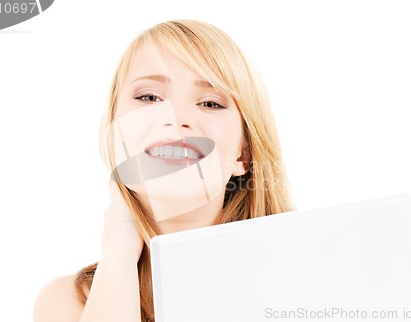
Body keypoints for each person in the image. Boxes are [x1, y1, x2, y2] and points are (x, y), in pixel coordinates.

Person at [33, 19, 293, 322]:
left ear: (243, 155)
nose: (176, 117)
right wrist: (119, 252)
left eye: (209, 103)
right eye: (149, 97)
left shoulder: (303, 271)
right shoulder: (70, 303)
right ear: (115, 132)